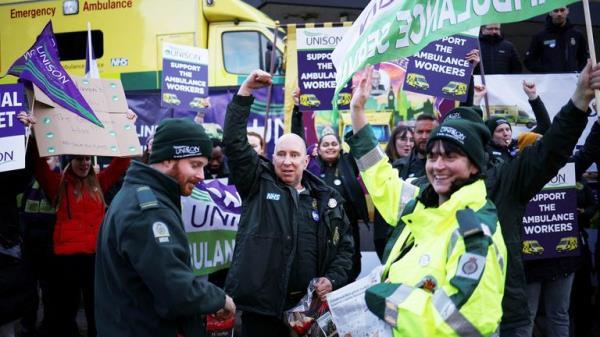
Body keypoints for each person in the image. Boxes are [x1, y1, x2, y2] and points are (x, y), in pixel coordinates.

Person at [346, 67, 507, 336]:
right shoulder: (423, 203)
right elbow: (382, 180)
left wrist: (392, 307)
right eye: (433, 157)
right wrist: (357, 113)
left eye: (451, 157)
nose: (438, 166)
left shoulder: (475, 231)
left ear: (474, 167)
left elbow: (466, 322)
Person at [223, 70, 354, 337]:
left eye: (294, 155)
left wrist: (333, 279)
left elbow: (345, 250)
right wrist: (246, 90)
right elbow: (234, 143)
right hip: (262, 312)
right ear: (272, 159)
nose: (287, 161)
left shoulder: (327, 199)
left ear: (306, 161)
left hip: (307, 313)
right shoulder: (257, 184)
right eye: (281, 154)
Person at [95, 118, 235, 337]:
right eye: (195, 165)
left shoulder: (140, 195)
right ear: (169, 160)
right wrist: (219, 299)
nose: (201, 176)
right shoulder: (148, 211)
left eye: (203, 166)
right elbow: (175, 290)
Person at [484, 80, 551, 164]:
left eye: (507, 129)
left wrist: (532, 96)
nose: (506, 133)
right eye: (500, 131)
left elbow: (545, 126)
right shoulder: (484, 150)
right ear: (490, 135)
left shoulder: (519, 143)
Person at [524, 6, 588, 73]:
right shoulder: (540, 36)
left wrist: (579, 73)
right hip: (550, 81)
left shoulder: (577, 35)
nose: (559, 14)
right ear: (550, 12)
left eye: (562, 10)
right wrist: (545, 72)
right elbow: (529, 61)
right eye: (556, 11)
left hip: (572, 81)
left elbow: (584, 59)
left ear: (567, 11)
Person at [393, 114, 437, 179]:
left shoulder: (446, 166)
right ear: (414, 134)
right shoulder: (400, 167)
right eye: (420, 132)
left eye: (429, 132)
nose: (424, 137)